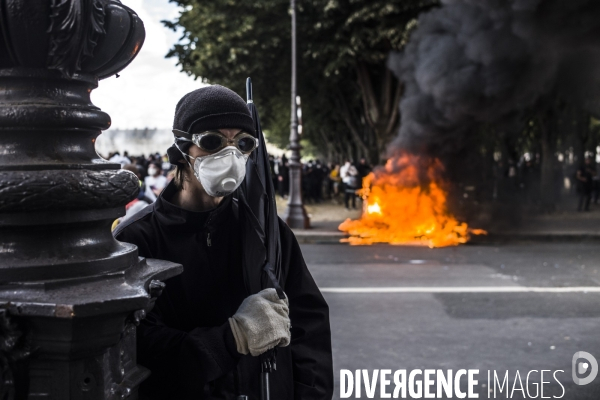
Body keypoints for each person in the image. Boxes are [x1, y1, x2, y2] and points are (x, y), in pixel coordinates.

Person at [113, 85, 333, 400]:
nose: (229, 155)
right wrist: (230, 339)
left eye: (243, 143)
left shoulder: (265, 230)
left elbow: (308, 326)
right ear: (182, 149)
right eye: (212, 141)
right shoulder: (136, 238)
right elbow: (137, 346)